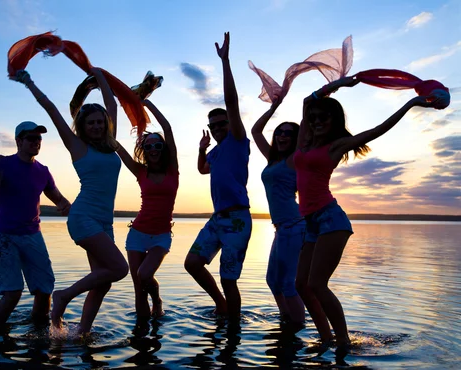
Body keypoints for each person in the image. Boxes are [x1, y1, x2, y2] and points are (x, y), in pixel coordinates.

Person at [294, 76, 438, 356]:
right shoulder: (305, 141)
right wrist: (337, 85)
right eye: (313, 118)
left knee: (316, 284)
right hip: (311, 222)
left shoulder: (336, 145)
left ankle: (343, 341)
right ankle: (326, 338)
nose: (316, 121)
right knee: (301, 284)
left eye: (324, 117)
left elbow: (378, 129)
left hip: (331, 220)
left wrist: (412, 103)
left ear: (334, 120)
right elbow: (306, 102)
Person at [13, 68, 129, 333]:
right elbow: (52, 110)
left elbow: (111, 103)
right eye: (91, 123)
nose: (97, 126)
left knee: (103, 282)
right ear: (83, 127)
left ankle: (82, 333)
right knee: (120, 268)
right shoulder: (77, 146)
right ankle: (64, 295)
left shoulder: (111, 144)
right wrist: (30, 84)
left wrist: (99, 74)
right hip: (83, 217)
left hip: (104, 222)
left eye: (101, 122)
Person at [0, 96, 71, 327]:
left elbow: (58, 198)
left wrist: (72, 208)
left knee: (44, 289)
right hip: (5, 236)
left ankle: (38, 333)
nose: (36, 142)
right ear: (18, 141)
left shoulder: (43, 171)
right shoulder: (1, 164)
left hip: (33, 235)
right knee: (13, 294)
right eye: (31, 138)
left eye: (38, 138)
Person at [184, 32, 252, 322]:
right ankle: (221, 307)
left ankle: (233, 332)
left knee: (229, 279)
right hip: (218, 218)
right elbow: (202, 170)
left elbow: (232, 102)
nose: (217, 128)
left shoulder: (238, 141)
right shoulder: (215, 150)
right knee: (192, 263)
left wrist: (225, 62)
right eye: (213, 126)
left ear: (230, 123)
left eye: (221, 123)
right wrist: (201, 149)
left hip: (237, 218)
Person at [115, 99, 179, 321]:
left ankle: (158, 300)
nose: (153, 149)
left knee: (144, 275)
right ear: (144, 150)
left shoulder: (173, 170)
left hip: (161, 236)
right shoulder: (140, 171)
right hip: (138, 234)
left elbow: (168, 128)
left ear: (163, 149)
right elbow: (118, 148)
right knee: (138, 288)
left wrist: (147, 103)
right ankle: (140, 336)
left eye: (157, 145)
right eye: (148, 146)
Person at [250, 96, 306, 331]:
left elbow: (306, 134)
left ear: (296, 139)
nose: (282, 136)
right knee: (273, 281)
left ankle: (298, 326)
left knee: (287, 283)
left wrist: (310, 102)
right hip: (281, 228)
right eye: (280, 132)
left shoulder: (296, 159)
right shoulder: (273, 159)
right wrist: (274, 107)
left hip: (295, 226)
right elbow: (255, 130)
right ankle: (287, 322)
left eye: (288, 133)